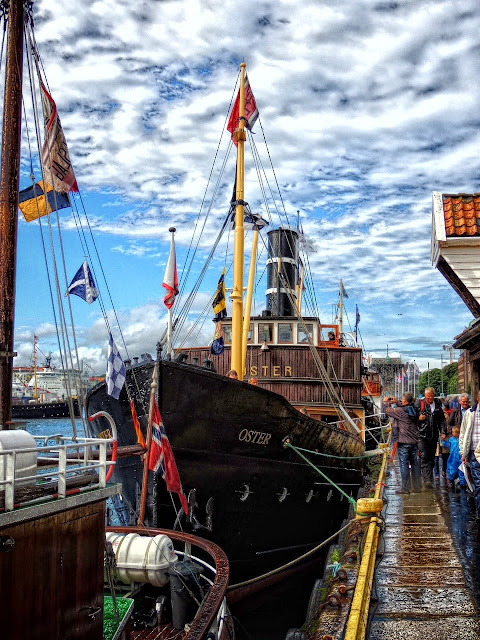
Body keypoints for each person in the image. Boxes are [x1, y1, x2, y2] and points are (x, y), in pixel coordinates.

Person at [384, 392, 421, 494]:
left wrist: (385, 402)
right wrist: (397, 402)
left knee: (404, 464)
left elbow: (387, 411)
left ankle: (405, 488)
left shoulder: (400, 411)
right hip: (414, 441)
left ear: (404, 401)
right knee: (415, 464)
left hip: (404, 441)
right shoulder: (413, 409)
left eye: (402, 399)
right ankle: (417, 487)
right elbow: (406, 408)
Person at [415, 387, 446, 488]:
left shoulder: (437, 404)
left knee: (432, 458)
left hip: (433, 436)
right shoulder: (419, 404)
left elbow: (441, 420)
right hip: (422, 435)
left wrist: (443, 432)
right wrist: (419, 418)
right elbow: (411, 417)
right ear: (425, 395)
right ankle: (427, 479)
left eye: (432, 396)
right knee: (424, 456)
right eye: (428, 396)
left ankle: (429, 477)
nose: (430, 398)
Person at [459, 390, 480, 519]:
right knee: (478, 483)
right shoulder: (470, 414)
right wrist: (464, 452)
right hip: (473, 453)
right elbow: (463, 434)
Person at [441, 426, 465, 491]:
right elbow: (446, 444)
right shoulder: (451, 440)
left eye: (453, 432)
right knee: (452, 470)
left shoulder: (461, 440)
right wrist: (442, 440)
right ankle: (451, 480)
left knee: (461, 470)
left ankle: (462, 483)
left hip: (459, 458)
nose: (452, 434)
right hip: (453, 458)